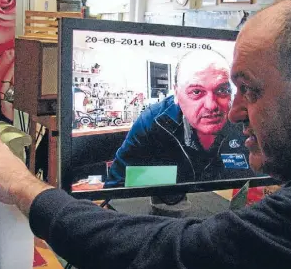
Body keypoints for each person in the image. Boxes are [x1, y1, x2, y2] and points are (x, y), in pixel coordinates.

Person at [0, 0, 291, 269]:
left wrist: (22, 185)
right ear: (174, 94)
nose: (233, 111)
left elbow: (177, 259)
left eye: (247, 90)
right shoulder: (155, 122)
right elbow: (119, 178)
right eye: (199, 92)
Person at [106, 49, 254, 188]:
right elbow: (117, 184)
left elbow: (266, 183)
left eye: (222, 90)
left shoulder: (245, 120)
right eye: (196, 92)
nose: (211, 105)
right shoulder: (154, 122)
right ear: (176, 93)